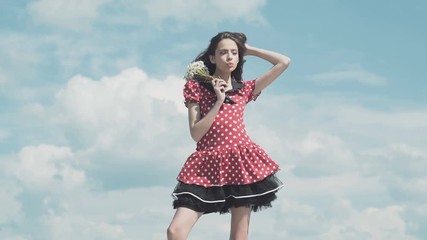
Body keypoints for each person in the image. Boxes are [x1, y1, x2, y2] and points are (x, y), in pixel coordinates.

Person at [167, 31, 291, 240]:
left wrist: (247, 49)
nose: (230, 57)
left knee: (239, 236)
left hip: (240, 162)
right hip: (205, 164)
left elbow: (284, 62)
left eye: (234, 53)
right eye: (223, 52)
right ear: (212, 58)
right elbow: (196, 134)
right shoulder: (196, 87)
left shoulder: (245, 89)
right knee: (175, 231)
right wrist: (218, 100)